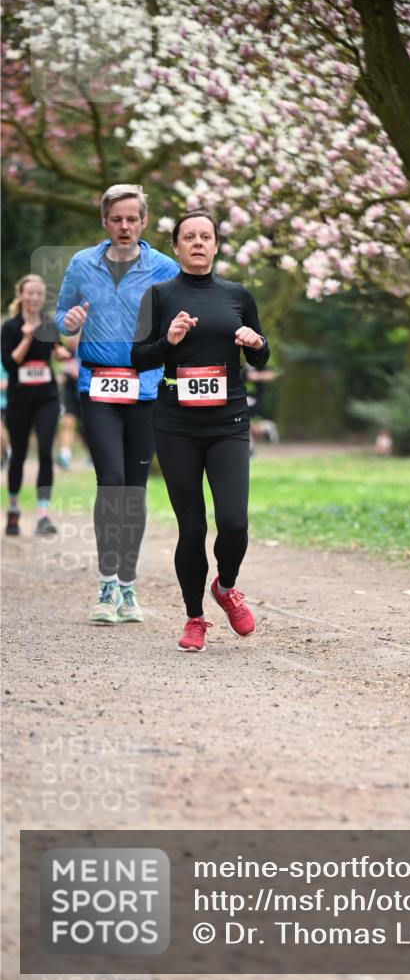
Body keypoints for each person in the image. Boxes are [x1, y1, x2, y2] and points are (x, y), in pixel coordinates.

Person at [131, 210, 270, 652]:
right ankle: (194, 617)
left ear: (215, 245)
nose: (197, 243)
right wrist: (167, 342)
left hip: (228, 421)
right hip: (176, 424)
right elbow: (138, 358)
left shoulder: (238, 294)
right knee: (191, 527)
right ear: (175, 247)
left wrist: (257, 343)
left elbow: (263, 357)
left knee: (234, 522)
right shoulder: (158, 295)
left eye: (204, 236)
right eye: (188, 236)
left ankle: (225, 587)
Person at [55, 184, 179, 623]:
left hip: (145, 390)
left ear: (144, 222)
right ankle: (106, 584)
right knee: (110, 483)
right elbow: (59, 315)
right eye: (116, 219)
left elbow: (178, 324)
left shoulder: (165, 268)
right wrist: (66, 322)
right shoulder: (81, 263)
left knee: (135, 490)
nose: (124, 226)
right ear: (104, 222)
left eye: (132, 219)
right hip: (98, 388)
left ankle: (128, 586)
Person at [1, 274, 71, 536]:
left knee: (44, 451)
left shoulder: (48, 323)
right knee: (18, 455)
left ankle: (42, 514)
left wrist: (60, 353)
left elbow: (57, 349)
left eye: (39, 294)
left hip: (47, 398)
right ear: (21, 295)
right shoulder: (10, 327)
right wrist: (27, 338)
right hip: (19, 400)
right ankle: (14, 510)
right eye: (29, 293)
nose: (34, 298)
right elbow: (9, 364)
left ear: (43, 297)